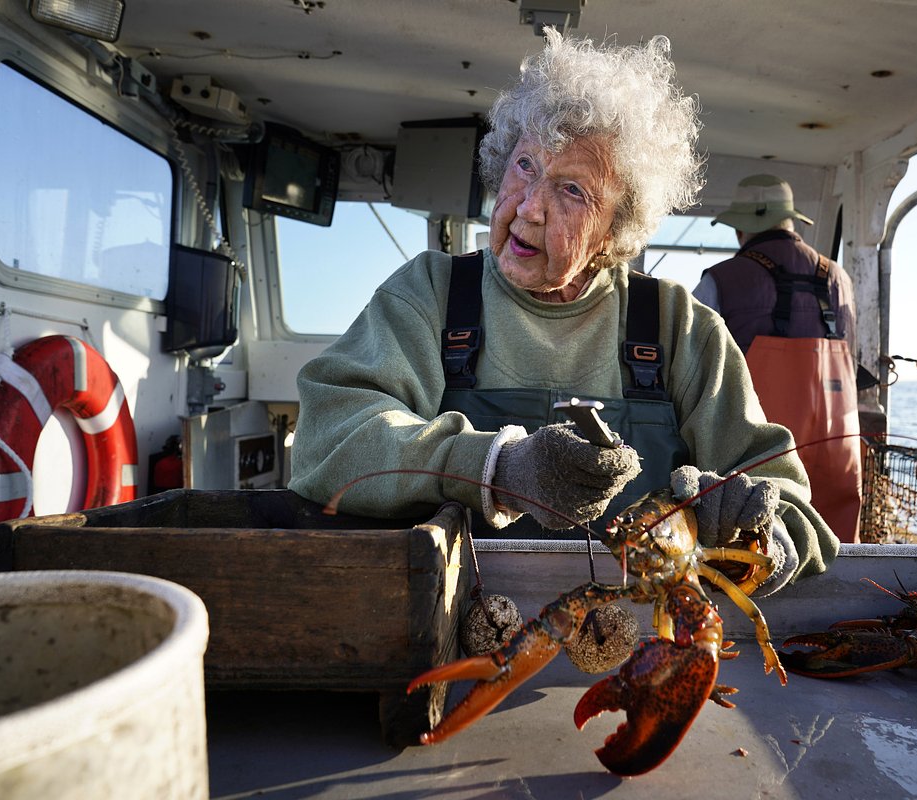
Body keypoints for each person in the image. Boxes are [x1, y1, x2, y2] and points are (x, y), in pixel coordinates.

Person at [289, 30, 838, 594]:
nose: (528, 207)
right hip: (454, 627)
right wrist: (495, 468)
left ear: (615, 231)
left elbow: (793, 512)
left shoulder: (680, 327)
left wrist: (757, 539)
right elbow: (327, 441)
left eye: (572, 190)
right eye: (525, 165)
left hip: (641, 646)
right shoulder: (430, 294)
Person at [694, 174, 863, 543]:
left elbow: (692, 366)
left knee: (756, 548)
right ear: (790, 221)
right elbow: (853, 353)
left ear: (742, 229)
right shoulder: (840, 278)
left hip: (761, 452)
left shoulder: (720, 280)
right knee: (836, 548)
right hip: (837, 446)